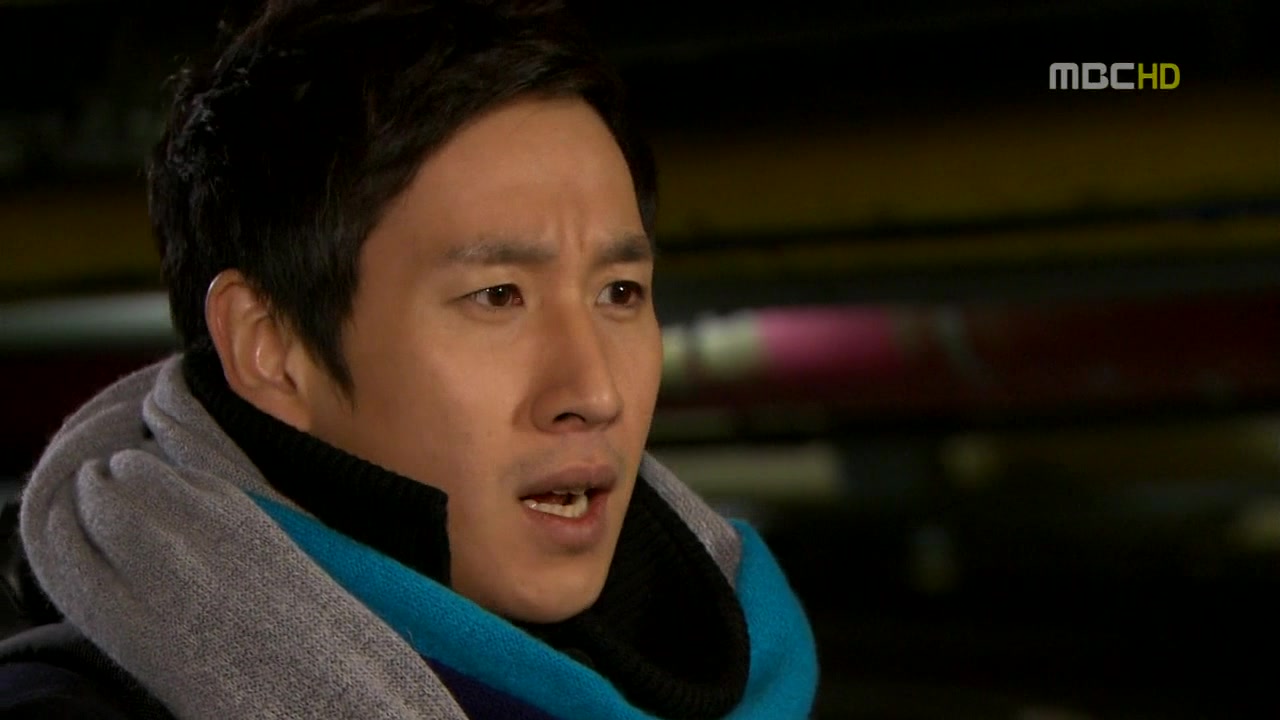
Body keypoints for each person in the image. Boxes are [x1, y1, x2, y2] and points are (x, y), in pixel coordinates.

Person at [0, 0, 819, 717]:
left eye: (620, 293)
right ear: (270, 349)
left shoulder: (743, 671)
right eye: (498, 296)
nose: (594, 389)